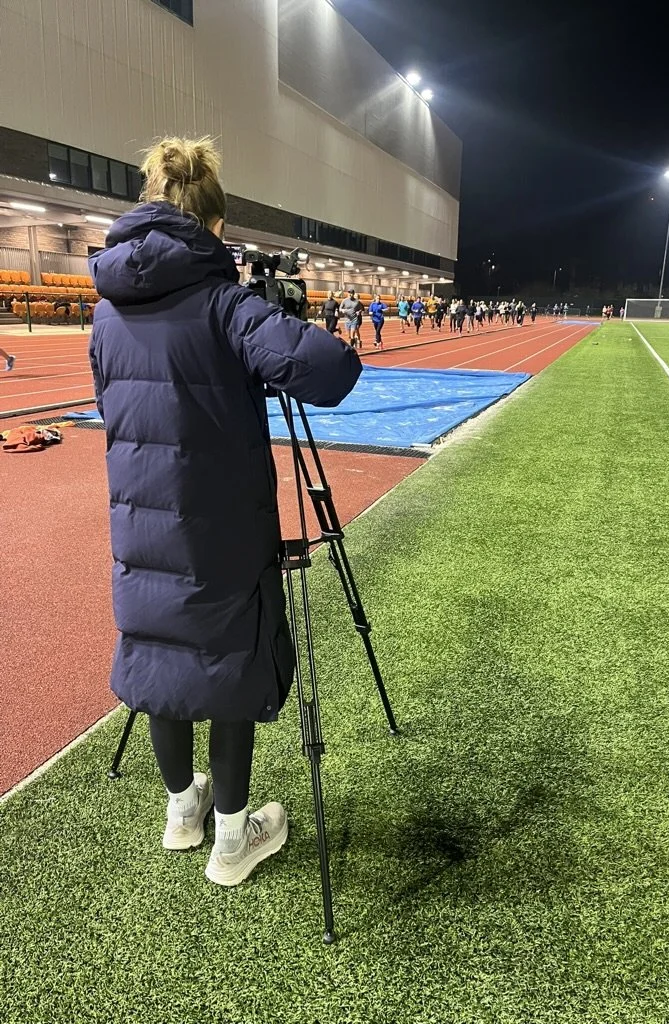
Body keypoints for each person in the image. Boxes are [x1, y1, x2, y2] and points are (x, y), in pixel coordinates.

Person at [87, 136, 361, 887]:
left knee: (159, 656)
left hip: (139, 519)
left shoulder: (106, 312)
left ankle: (183, 814)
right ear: (213, 225)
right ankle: (234, 842)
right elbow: (331, 371)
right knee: (228, 665)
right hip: (223, 527)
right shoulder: (223, 304)